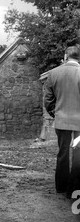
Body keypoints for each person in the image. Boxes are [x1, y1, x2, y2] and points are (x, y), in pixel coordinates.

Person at [44, 45, 80, 197]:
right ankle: (74, 189)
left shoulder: (53, 73)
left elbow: (48, 99)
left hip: (62, 120)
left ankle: (61, 187)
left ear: (66, 56)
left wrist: (54, 112)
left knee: (63, 153)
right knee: (78, 154)